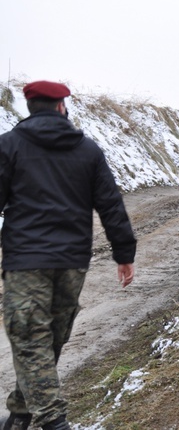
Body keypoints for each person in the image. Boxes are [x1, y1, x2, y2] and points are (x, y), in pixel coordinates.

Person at [0, 81, 137, 430]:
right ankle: (19, 415)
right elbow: (110, 204)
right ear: (62, 106)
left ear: (29, 107)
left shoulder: (9, 145)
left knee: (31, 340)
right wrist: (124, 253)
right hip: (72, 261)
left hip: (25, 260)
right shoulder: (88, 150)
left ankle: (54, 422)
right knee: (49, 339)